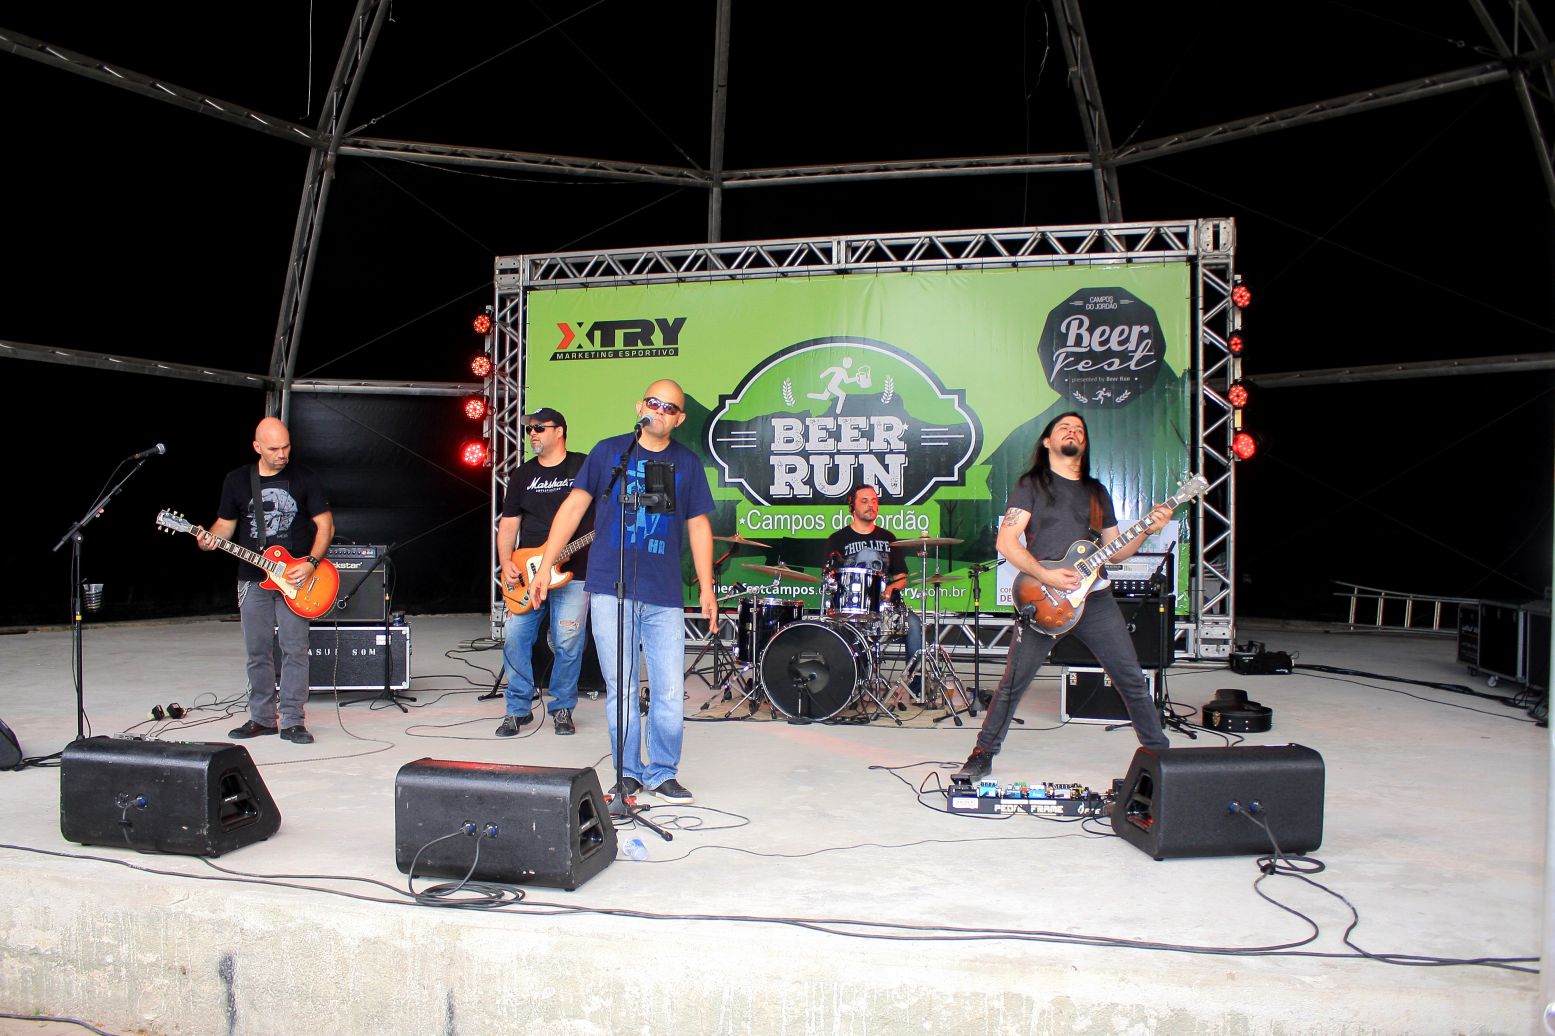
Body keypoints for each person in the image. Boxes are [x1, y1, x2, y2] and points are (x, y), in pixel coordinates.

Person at [956, 411, 1173, 780]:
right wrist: (1046, 575)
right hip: (1043, 599)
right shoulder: (1032, 485)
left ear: (1084, 443)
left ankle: (1161, 758)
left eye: (1079, 429)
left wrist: (1147, 529)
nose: (1073, 431)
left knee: (1131, 678)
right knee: (1012, 684)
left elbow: (1116, 552)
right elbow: (1006, 541)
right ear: (1047, 441)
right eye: (1064, 427)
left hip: (1095, 599)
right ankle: (982, 753)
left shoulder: (1096, 492)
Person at [530, 380, 715, 805]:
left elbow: (699, 525)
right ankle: (628, 772)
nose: (660, 411)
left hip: (664, 592)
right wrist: (545, 564)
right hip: (611, 589)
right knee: (622, 687)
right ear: (640, 406)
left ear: (680, 419)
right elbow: (574, 507)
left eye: (670, 407)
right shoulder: (609, 452)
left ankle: (663, 771)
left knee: (669, 690)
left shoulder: (687, 462)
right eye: (654, 403)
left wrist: (706, 587)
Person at [198, 417, 334, 745]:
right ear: (257, 447)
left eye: (286, 446)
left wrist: (311, 563)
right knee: (257, 651)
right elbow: (224, 525)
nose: (282, 454)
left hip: (297, 578)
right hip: (253, 579)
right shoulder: (237, 480)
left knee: (294, 649)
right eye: (274, 449)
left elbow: (326, 525)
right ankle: (262, 718)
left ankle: (293, 721)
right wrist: (209, 538)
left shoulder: (305, 477)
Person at [495, 407, 593, 737]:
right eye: (529, 429)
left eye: (539, 428)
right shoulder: (522, 475)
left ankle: (562, 707)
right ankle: (517, 709)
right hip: (528, 569)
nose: (532, 434)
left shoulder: (582, 466)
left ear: (559, 431)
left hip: (573, 570)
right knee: (515, 637)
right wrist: (506, 561)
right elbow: (509, 523)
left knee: (568, 642)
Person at [823, 484, 923, 699]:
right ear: (852, 505)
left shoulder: (888, 538)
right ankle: (849, 684)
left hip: (886, 607)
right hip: (851, 607)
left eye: (875, 501)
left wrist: (891, 589)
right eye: (865, 501)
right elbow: (830, 578)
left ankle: (917, 687)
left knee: (915, 625)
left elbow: (901, 578)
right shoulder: (837, 539)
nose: (871, 505)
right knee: (839, 630)